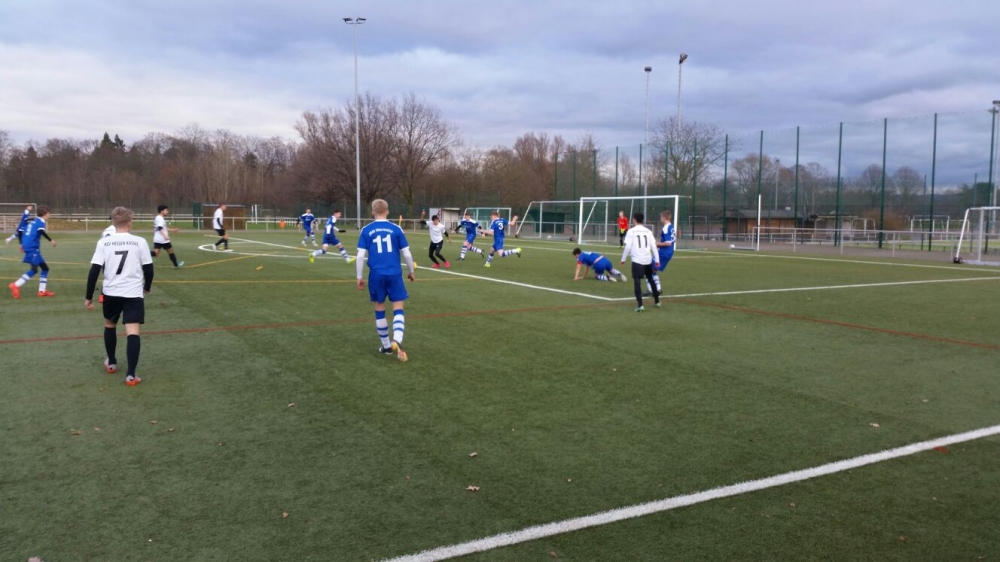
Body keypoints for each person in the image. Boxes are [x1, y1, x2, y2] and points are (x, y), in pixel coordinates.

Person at [85, 206, 154, 386]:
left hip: (111, 293)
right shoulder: (139, 242)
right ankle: (131, 375)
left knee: (110, 325)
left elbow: (94, 271)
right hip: (133, 294)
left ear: (113, 223)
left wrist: (88, 296)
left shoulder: (104, 242)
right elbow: (149, 269)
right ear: (129, 223)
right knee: (133, 332)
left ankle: (112, 362)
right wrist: (147, 287)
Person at [357, 199, 415, 362]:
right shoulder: (396, 229)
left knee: (379, 308)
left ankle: (387, 346)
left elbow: (360, 256)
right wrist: (411, 271)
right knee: (398, 307)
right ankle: (397, 339)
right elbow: (407, 253)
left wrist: (359, 277)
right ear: (387, 211)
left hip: (376, 275)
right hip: (394, 274)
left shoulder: (366, 230)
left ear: (372, 212)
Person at [8, 206, 56, 299]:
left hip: (30, 246)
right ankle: (16, 285)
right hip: (32, 247)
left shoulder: (33, 221)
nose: (49, 215)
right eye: (49, 214)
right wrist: (51, 240)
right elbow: (41, 231)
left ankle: (42, 291)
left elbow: (20, 230)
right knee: (34, 269)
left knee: (45, 268)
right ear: (44, 214)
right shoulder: (40, 222)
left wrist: (21, 244)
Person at [620, 211, 661, 312]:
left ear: (634, 219)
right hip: (647, 260)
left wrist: (623, 259)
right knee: (651, 279)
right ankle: (657, 301)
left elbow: (628, 247)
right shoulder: (648, 231)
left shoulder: (631, 231)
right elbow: (653, 246)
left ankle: (640, 306)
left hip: (637, 261)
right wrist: (657, 259)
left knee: (637, 282)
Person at [647, 209, 676, 295]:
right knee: (653, 270)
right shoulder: (671, 227)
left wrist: (656, 244)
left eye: (661, 217)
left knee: (648, 269)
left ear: (664, 218)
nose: (660, 219)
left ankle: (651, 290)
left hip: (664, 253)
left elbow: (668, 243)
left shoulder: (666, 228)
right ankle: (658, 289)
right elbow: (672, 241)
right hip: (669, 252)